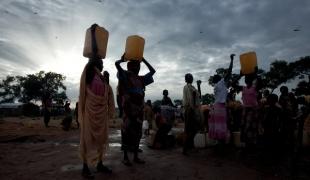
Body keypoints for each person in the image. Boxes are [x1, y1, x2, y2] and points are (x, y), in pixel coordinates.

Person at [115, 55, 156, 166]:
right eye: (136, 65)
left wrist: (144, 60)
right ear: (129, 66)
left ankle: (136, 157)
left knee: (137, 133)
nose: (138, 68)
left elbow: (153, 71)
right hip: (128, 111)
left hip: (138, 111)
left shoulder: (141, 79)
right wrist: (122, 60)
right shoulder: (125, 76)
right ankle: (125, 157)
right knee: (126, 133)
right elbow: (116, 65)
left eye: (138, 66)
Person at [79, 57, 115, 178]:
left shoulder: (101, 77)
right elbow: (85, 92)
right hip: (90, 113)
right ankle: (85, 167)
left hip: (101, 113)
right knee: (86, 139)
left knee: (102, 139)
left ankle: (100, 163)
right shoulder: (88, 74)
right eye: (101, 62)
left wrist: (107, 80)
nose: (103, 65)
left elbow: (106, 93)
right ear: (95, 63)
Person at [208, 54, 234, 142]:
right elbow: (229, 72)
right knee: (222, 125)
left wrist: (240, 76)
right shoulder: (221, 83)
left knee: (218, 126)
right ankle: (221, 144)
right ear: (219, 79)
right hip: (220, 107)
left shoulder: (217, 86)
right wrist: (231, 60)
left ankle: (219, 144)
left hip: (215, 107)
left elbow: (230, 82)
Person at [182, 73, 201, 155]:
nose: (190, 78)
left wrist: (198, 85)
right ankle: (185, 149)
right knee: (190, 130)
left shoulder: (192, 87)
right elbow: (191, 100)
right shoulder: (188, 87)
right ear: (186, 79)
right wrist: (192, 111)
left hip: (192, 110)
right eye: (188, 77)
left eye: (191, 77)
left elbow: (198, 96)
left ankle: (190, 146)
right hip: (190, 110)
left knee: (193, 129)